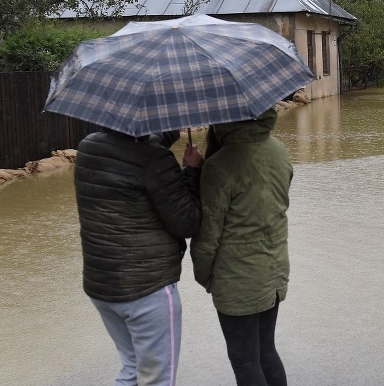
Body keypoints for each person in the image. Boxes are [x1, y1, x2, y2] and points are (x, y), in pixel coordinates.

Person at [74, 129, 203, 386]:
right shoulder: (155, 160)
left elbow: (134, 151)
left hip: (101, 284)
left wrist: (170, 133)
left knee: (132, 368)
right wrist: (191, 170)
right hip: (147, 289)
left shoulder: (87, 147)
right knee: (158, 380)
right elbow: (187, 223)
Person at [191, 107, 292, 386]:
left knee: (245, 360)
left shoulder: (219, 165)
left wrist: (205, 276)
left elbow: (208, 235)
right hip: (274, 272)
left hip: (237, 279)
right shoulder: (279, 150)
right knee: (266, 351)